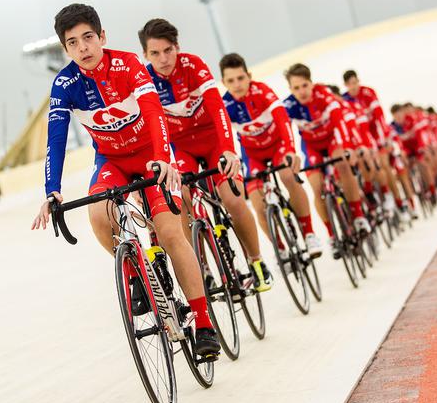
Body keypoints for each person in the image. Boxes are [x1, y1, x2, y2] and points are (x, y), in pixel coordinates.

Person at [30, 3, 220, 355]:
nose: (83, 48)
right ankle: (137, 277)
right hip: (112, 161)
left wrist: (164, 158)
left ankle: (204, 323)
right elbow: (55, 137)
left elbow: (152, 112)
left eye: (88, 38)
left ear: (102, 37)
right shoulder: (64, 83)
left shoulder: (128, 64)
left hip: (152, 154)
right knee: (99, 215)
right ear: (65, 49)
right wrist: (52, 191)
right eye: (73, 43)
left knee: (169, 231)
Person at [138, 18, 273, 292]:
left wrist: (229, 151)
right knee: (183, 201)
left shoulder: (194, 65)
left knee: (233, 200)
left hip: (213, 142)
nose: (163, 59)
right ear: (145, 55)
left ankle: (257, 263)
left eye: (168, 50)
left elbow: (218, 109)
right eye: (155, 53)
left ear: (177, 47)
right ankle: (205, 271)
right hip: (182, 148)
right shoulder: (145, 78)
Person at [220, 53, 325, 259]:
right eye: (230, 81)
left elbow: (283, 120)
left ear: (249, 76)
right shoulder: (225, 104)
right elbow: (223, 136)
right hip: (253, 155)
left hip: (278, 146)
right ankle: (281, 250)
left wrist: (290, 151)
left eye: (241, 78)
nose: (237, 84)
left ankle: (309, 233)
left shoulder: (263, 92)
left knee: (287, 176)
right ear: (223, 82)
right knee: (258, 204)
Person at [281, 64, 371, 257]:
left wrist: (347, 147)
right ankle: (332, 234)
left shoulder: (325, 95)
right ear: (290, 90)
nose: (301, 91)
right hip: (312, 146)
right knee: (317, 188)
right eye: (296, 88)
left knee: (342, 164)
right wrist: (290, 152)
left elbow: (340, 121)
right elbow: (284, 130)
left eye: (304, 85)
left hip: (333, 140)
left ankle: (358, 216)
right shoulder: (289, 105)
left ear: (311, 84)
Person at [343, 70, 406, 219]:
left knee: (383, 165)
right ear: (345, 85)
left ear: (359, 81)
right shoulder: (345, 100)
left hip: (375, 133)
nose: (353, 86)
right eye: (350, 84)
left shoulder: (368, 93)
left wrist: (383, 138)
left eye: (355, 82)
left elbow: (379, 117)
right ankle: (369, 193)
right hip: (360, 135)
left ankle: (398, 201)